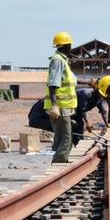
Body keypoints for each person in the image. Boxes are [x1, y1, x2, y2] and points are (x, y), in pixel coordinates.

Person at [45, 32, 77, 163]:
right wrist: (54, 106)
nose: (71, 47)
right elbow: (53, 84)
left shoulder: (63, 60)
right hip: (60, 107)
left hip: (64, 107)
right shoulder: (58, 60)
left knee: (63, 138)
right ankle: (59, 164)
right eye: (69, 45)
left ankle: (61, 162)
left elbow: (71, 81)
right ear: (66, 45)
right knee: (66, 138)